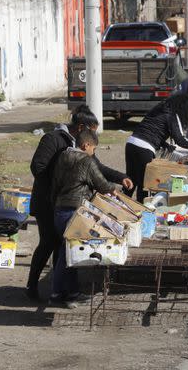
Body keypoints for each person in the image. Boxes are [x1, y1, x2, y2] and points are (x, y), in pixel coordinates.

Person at [27, 106, 130, 301]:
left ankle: (60, 290)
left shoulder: (81, 144)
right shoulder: (53, 139)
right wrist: (65, 184)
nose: (94, 136)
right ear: (81, 127)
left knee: (63, 246)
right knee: (48, 244)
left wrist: (120, 176)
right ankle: (33, 285)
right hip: (47, 203)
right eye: (92, 130)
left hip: (62, 202)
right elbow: (38, 167)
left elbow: (96, 169)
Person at [49, 129, 123, 307]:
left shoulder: (62, 157)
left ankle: (70, 292)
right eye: (93, 149)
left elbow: (55, 184)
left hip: (59, 209)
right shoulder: (86, 161)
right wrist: (116, 190)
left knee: (66, 252)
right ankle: (57, 293)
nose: (93, 153)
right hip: (75, 213)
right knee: (68, 254)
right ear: (86, 145)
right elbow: (102, 184)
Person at [125, 93, 188, 200]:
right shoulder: (173, 115)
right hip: (144, 147)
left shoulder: (159, 109)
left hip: (131, 143)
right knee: (145, 183)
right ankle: (142, 210)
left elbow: (152, 130)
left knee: (130, 179)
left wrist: (165, 144)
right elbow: (180, 139)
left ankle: (119, 205)